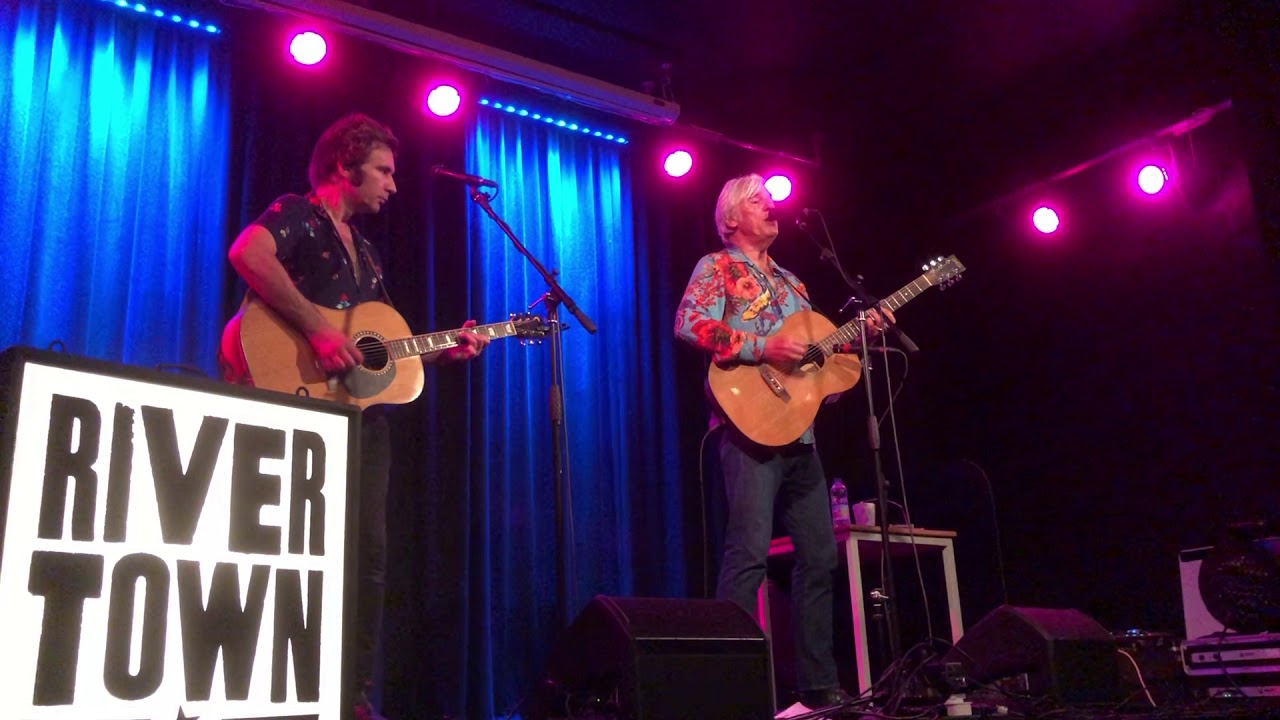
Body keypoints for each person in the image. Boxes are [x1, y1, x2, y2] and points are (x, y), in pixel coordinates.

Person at [222, 113, 490, 720]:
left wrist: (445, 350)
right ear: (345, 166)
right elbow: (247, 252)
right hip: (295, 409)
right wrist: (317, 331)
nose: (394, 185)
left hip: (357, 422)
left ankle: (350, 694)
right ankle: (274, 681)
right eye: (384, 171)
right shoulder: (298, 213)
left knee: (366, 554)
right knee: (291, 547)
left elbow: (381, 350)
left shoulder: (366, 252)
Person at [674, 173, 891, 718]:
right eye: (756, 200)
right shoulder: (715, 266)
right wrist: (761, 344)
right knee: (746, 555)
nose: (770, 205)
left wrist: (852, 344)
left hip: (801, 434)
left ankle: (818, 686)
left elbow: (811, 367)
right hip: (746, 429)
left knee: (820, 557)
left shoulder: (795, 283)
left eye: (769, 199)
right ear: (731, 219)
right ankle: (732, 685)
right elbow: (688, 324)